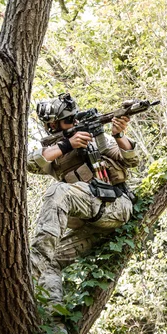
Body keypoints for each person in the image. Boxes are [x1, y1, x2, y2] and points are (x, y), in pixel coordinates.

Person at [28, 93, 139, 313]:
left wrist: (119, 135)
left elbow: (132, 160)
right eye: (69, 121)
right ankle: (56, 324)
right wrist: (67, 145)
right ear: (53, 125)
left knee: (59, 190)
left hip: (114, 206)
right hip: (91, 227)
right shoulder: (56, 151)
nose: (75, 123)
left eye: (75, 118)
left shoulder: (97, 140)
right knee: (51, 262)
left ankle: (30, 268)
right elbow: (29, 162)